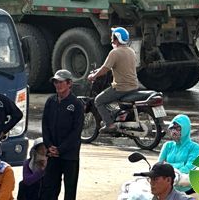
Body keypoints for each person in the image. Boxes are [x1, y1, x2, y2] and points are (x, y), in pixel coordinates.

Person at [40, 70, 84, 200]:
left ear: (69, 83)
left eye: (61, 82)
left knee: (70, 188)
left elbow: (76, 131)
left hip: (69, 154)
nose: (58, 85)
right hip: (52, 153)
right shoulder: (50, 101)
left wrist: (61, 149)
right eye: (56, 82)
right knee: (50, 187)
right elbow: (45, 125)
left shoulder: (76, 104)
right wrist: (49, 146)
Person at [87, 27, 138, 133]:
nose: (111, 39)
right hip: (134, 86)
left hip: (121, 88)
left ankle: (110, 125)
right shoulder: (131, 51)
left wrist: (94, 76)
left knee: (98, 100)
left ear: (116, 39)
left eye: (112, 37)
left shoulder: (114, 52)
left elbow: (104, 69)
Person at [158, 114, 199, 195]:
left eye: (178, 128)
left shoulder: (194, 147)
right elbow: (159, 166)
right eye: (172, 128)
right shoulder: (167, 146)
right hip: (166, 188)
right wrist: (180, 165)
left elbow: (189, 168)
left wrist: (168, 166)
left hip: (186, 189)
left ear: (185, 128)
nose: (174, 131)